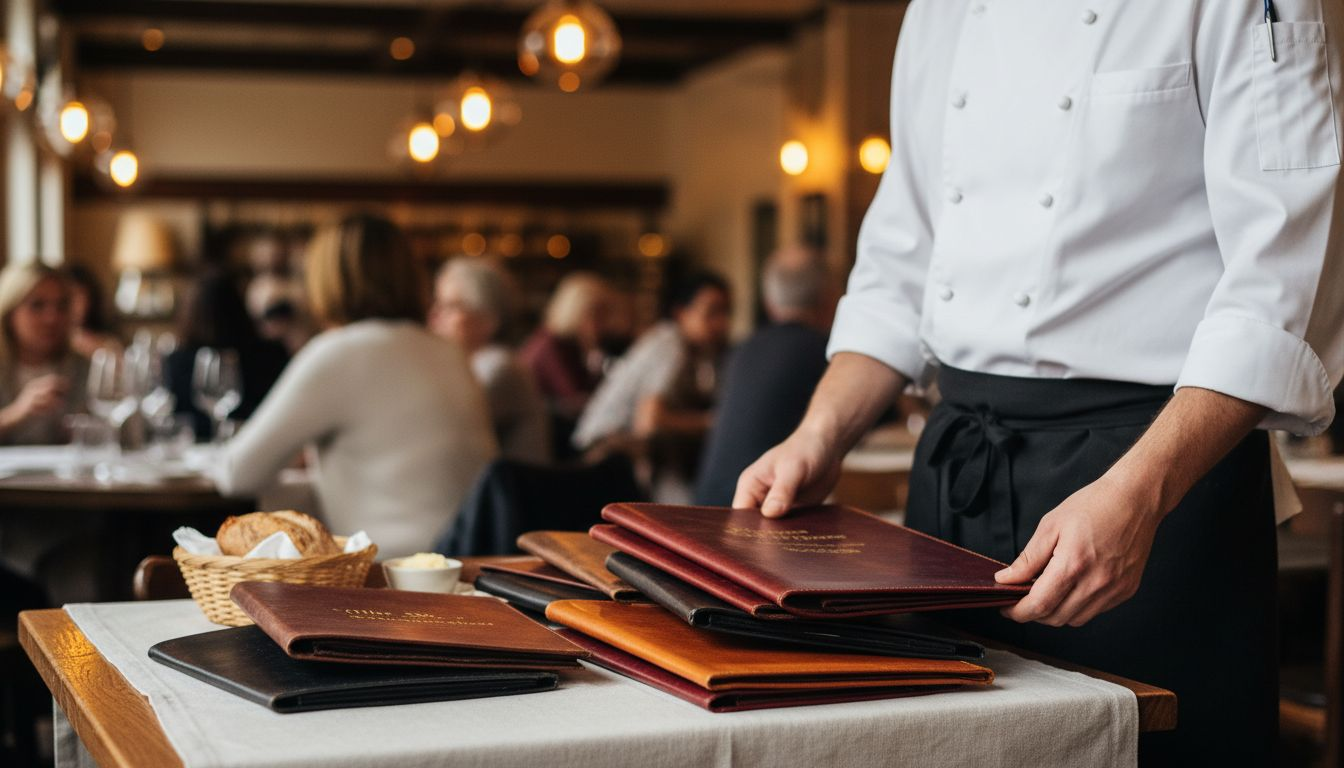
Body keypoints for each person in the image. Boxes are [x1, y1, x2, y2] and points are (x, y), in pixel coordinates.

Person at [734, 3, 1344, 764]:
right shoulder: (939, 12)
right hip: (953, 496)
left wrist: (1140, 494)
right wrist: (817, 435)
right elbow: (899, 269)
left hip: (1149, 491)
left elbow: (1281, 284)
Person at [213, 215, 498, 558]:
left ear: (327, 280)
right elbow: (407, 483)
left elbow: (236, 474)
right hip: (471, 566)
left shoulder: (337, 352)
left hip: (387, 576)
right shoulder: (449, 352)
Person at [574, 269, 732, 502]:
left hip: (630, 453)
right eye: (712, 312)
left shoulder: (702, 353)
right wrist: (711, 422)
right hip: (603, 456)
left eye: (726, 312)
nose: (722, 323)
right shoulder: (670, 345)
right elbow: (650, 420)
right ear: (681, 313)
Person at [694, 247, 834, 505]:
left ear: (769, 302)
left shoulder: (741, 349)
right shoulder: (827, 352)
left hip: (705, 507)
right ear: (828, 298)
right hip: (757, 514)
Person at [429, 258, 550, 465]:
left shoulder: (500, 368)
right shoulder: (470, 364)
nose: (434, 315)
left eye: (451, 306)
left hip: (516, 494)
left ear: (488, 320)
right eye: (436, 303)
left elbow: (441, 429)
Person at [164, 268, 290, 441]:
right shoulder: (271, 354)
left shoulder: (176, 361)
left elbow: (173, 422)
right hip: (257, 446)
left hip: (197, 453)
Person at [519, 272, 614, 455]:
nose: (604, 325)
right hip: (546, 442)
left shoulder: (566, 344)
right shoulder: (552, 347)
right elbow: (576, 399)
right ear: (578, 312)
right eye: (598, 315)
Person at [0, 263, 88, 445]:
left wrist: (90, 429)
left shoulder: (84, 368)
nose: (52, 318)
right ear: (9, 314)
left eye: (61, 306)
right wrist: (16, 413)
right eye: (37, 305)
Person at [63, 264, 121, 357]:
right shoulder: (52, 344)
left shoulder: (108, 342)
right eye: (71, 297)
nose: (79, 304)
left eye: (83, 296)